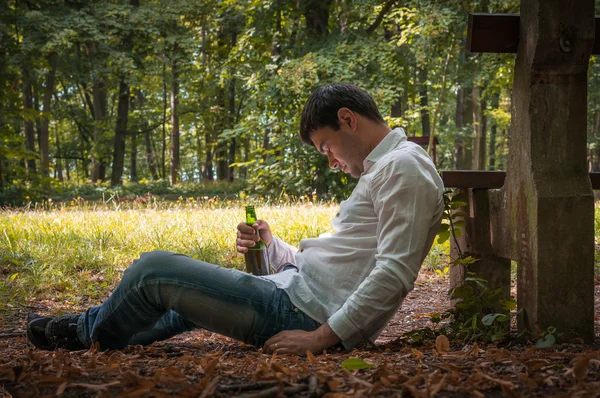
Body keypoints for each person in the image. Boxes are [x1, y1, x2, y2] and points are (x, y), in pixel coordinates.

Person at [27, 83, 445, 355]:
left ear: (347, 120)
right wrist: (273, 246)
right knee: (179, 303)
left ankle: (80, 333)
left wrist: (321, 337)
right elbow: (342, 261)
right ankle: (79, 333)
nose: (332, 162)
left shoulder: (403, 168)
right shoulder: (386, 167)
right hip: (295, 291)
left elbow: (394, 270)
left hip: (307, 314)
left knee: (153, 270)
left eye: (326, 148)